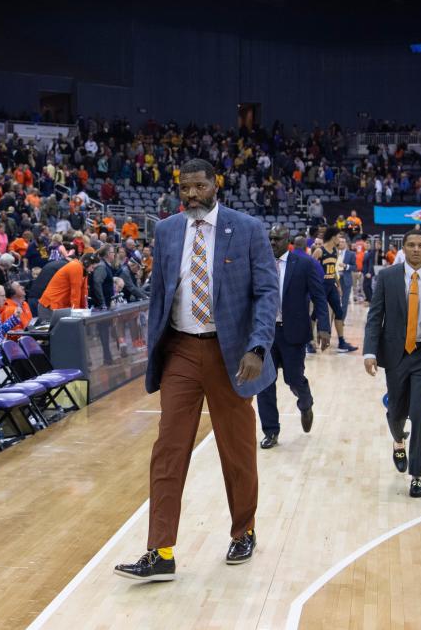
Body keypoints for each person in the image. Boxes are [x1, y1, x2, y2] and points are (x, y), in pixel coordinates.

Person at [115, 158, 278, 581]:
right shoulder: (167, 230)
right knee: (168, 451)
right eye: (185, 187)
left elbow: (265, 293)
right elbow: (159, 296)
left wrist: (257, 347)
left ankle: (244, 531)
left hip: (233, 355)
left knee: (237, 451)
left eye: (199, 186)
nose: (191, 194)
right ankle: (160, 551)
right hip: (182, 351)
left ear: (215, 185)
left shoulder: (247, 228)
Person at [363, 229, 421, 499]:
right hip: (395, 352)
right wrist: (369, 352)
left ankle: (417, 474)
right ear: (402, 249)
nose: (416, 249)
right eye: (411, 245)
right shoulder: (387, 276)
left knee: (420, 413)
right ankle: (397, 440)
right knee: (396, 413)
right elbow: (375, 316)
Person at [256, 229, 330, 449]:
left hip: (293, 333)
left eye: (276, 239)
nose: (271, 243)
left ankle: (305, 403)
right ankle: (271, 431)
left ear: (287, 241)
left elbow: (319, 296)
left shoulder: (304, 264)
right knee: (264, 384)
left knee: (293, 379)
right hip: (265, 333)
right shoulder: (260, 263)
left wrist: (324, 328)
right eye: (269, 239)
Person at [310, 225, 358, 353]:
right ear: (332, 237)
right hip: (321, 287)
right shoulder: (319, 251)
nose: (340, 239)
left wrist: (339, 285)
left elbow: (334, 270)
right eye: (338, 237)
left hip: (331, 286)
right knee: (315, 314)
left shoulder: (335, 251)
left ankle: (341, 342)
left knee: (339, 312)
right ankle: (308, 342)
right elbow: (310, 270)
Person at [37, 252, 99, 319]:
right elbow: (75, 293)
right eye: (92, 267)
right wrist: (76, 314)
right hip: (49, 306)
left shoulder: (84, 271)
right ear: (86, 263)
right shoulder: (76, 266)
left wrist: (84, 310)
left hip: (58, 307)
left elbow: (84, 292)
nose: (92, 270)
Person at [336, 235, 357, 321]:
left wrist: (346, 266)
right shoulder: (333, 252)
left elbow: (354, 267)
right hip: (335, 279)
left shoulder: (351, 254)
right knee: (335, 301)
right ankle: (334, 319)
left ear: (346, 243)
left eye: (342, 242)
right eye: (339, 241)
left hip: (346, 280)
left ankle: (341, 320)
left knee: (344, 302)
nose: (341, 243)